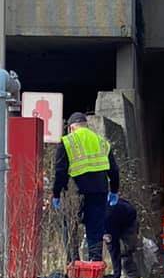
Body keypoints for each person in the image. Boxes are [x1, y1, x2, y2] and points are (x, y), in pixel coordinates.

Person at [51, 112, 120, 263]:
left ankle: (74, 266)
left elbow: (60, 172)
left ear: (70, 128)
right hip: (99, 193)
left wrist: (56, 193)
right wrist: (114, 190)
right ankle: (94, 271)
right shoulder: (101, 141)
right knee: (95, 232)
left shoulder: (67, 141)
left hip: (75, 193)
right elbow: (114, 170)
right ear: (86, 126)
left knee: (70, 230)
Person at [102, 191, 148, 278]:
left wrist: (116, 276)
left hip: (128, 222)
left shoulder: (106, 217)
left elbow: (113, 247)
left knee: (125, 257)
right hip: (119, 217)